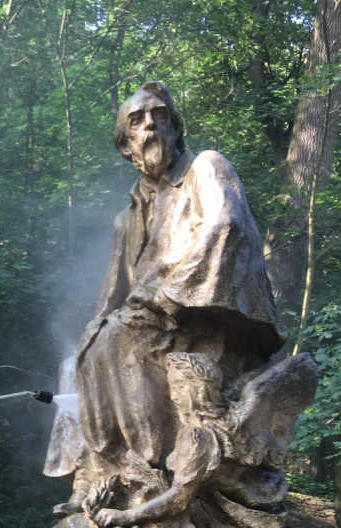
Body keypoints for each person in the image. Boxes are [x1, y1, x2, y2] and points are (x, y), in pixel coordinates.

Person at [74, 81, 282, 489]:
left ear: (175, 127)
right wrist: (90, 340)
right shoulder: (126, 220)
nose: (150, 125)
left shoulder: (206, 167)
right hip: (146, 328)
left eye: (159, 116)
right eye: (137, 120)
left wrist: (165, 296)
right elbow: (111, 298)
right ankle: (91, 474)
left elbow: (227, 227)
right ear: (126, 145)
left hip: (204, 322)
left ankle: (147, 470)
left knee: (111, 341)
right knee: (85, 349)